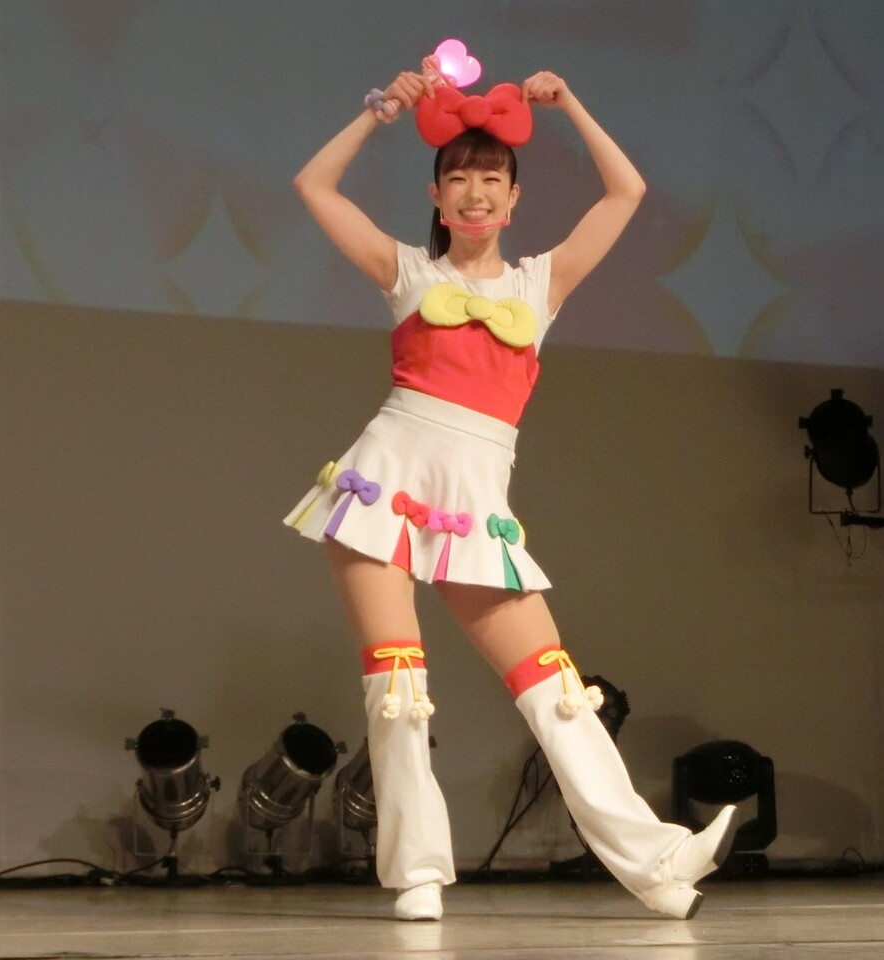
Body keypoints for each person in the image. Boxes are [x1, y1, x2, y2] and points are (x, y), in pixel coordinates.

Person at [285, 62, 738, 921]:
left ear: (514, 199)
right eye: (459, 179)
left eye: (492, 180)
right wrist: (380, 112)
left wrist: (571, 106)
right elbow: (314, 185)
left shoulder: (540, 284)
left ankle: (655, 863)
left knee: (559, 692)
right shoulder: (407, 271)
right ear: (437, 195)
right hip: (385, 487)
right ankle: (418, 874)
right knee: (399, 687)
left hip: (475, 507)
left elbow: (627, 192)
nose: (476, 193)